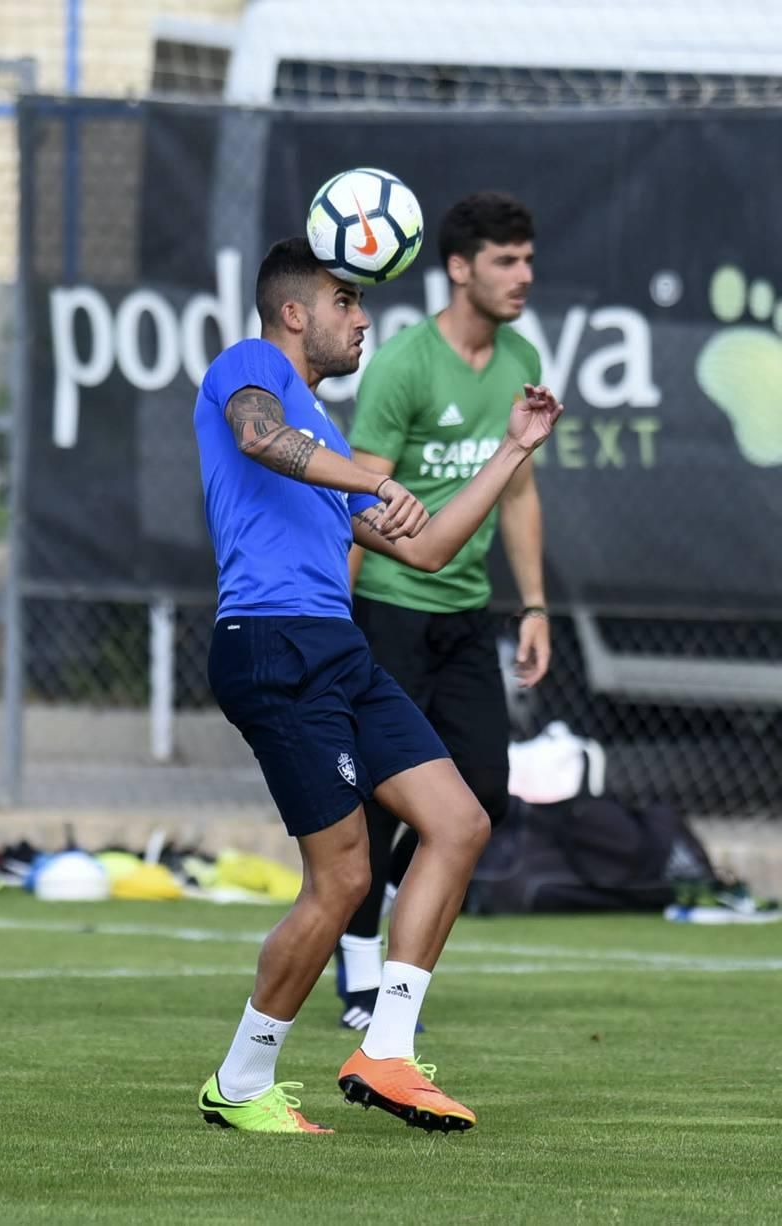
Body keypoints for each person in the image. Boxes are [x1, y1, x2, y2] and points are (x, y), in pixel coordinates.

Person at [193, 236, 562, 1135]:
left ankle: (386, 1052)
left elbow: (428, 548)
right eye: (346, 302)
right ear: (294, 312)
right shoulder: (250, 369)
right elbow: (255, 434)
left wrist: (514, 451)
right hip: (269, 645)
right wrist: (372, 475)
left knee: (460, 820)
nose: (362, 319)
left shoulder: (328, 438)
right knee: (343, 879)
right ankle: (240, 1083)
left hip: (339, 649)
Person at [337, 191, 551, 1031]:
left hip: (467, 612)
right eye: (505, 260)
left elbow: (523, 489)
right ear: (459, 268)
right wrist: (335, 617)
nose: (523, 276)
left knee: (482, 797)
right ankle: (363, 979)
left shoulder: (522, 354)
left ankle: (391, 924)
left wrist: (534, 605)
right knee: (382, 803)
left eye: (528, 259)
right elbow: (353, 493)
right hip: (388, 606)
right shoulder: (401, 364)